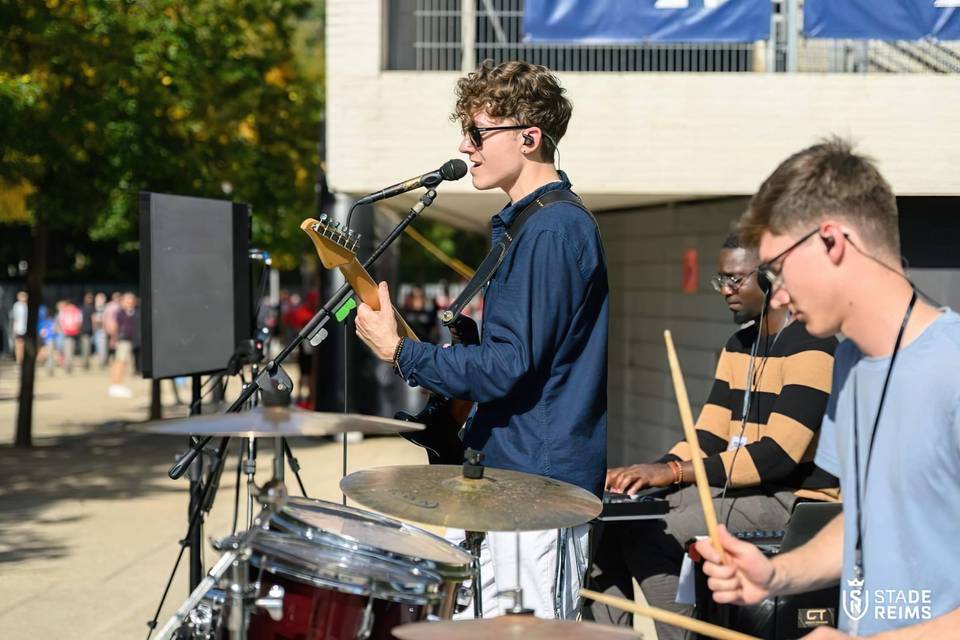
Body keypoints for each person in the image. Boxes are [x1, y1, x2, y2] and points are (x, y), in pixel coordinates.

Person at [355, 59, 609, 620]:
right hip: (510, 476)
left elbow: (508, 367)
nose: (466, 147)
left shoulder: (553, 229)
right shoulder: (528, 224)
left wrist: (401, 352)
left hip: (538, 486)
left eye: (478, 133)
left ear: (529, 137)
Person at [696, 138, 960, 638]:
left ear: (832, 241)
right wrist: (775, 575)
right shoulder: (848, 363)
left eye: (776, 269)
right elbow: (864, 524)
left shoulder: (953, 367)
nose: (778, 293)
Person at [591, 233, 839, 639]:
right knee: (615, 518)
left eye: (736, 279)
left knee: (652, 531)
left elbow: (776, 457)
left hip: (793, 498)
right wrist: (642, 474)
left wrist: (673, 473)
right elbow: (706, 436)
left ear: (772, 278)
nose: (725, 290)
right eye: (720, 280)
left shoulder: (812, 347)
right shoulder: (739, 344)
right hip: (742, 489)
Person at [108, 292, 137, 398]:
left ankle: (118, 384)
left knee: (123, 363)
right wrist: (114, 338)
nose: (130, 303)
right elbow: (114, 326)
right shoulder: (120, 312)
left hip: (128, 340)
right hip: (122, 340)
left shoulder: (130, 312)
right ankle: (116, 384)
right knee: (120, 362)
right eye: (127, 301)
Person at [80, 292, 95, 370]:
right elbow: (93, 319)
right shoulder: (91, 308)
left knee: (85, 348)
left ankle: (85, 363)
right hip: (86, 331)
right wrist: (94, 329)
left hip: (85, 331)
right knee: (86, 348)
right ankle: (86, 364)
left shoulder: (82, 308)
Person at [12, 291, 27, 364]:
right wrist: (14, 328)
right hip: (19, 329)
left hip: (26, 329)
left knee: (24, 345)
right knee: (18, 344)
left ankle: (23, 360)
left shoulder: (27, 306)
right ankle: (18, 360)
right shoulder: (17, 306)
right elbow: (15, 318)